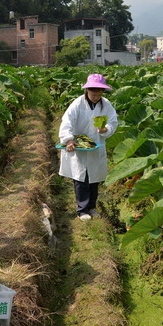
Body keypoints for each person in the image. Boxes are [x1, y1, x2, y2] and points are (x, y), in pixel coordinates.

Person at [58, 73, 118, 221]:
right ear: (87, 90)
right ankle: (82, 210)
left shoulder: (106, 105)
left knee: (94, 179)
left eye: (99, 94)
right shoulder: (78, 104)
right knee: (80, 179)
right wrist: (68, 140)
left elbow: (113, 122)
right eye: (93, 93)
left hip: (96, 146)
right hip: (79, 146)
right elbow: (67, 122)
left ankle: (92, 207)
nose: (96, 97)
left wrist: (106, 130)